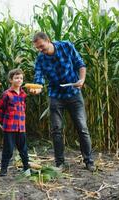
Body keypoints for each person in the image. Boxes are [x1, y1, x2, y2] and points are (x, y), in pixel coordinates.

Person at [29, 32, 95, 172]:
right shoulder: (41, 58)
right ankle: (60, 163)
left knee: (82, 128)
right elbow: (39, 77)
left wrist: (81, 80)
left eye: (41, 46)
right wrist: (37, 89)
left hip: (73, 93)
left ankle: (89, 161)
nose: (40, 50)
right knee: (56, 130)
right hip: (55, 95)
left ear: (48, 41)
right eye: (37, 48)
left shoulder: (66, 46)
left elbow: (80, 64)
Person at [0, 68, 30, 177]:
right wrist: (1, 122)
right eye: (16, 78)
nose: (19, 80)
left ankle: (27, 169)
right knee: (8, 149)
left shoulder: (23, 94)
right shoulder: (7, 94)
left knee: (23, 149)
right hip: (9, 127)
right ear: (11, 80)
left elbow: (23, 108)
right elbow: (1, 109)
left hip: (21, 127)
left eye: (21, 78)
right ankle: (3, 170)